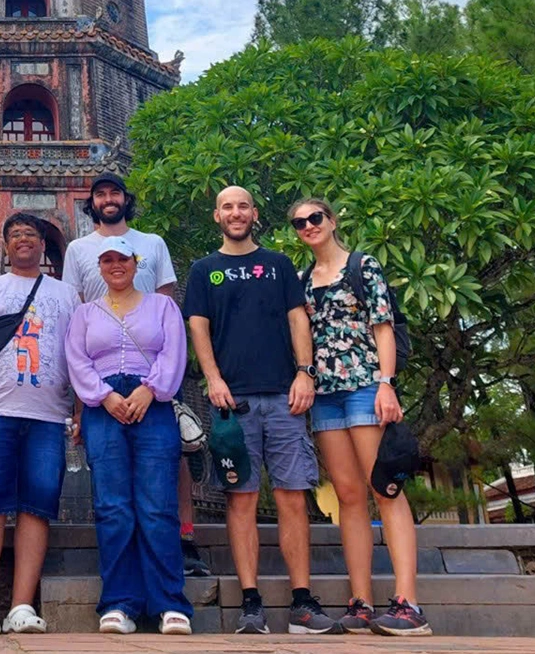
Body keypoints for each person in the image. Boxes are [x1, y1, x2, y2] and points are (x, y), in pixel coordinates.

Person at [184, 186, 338, 635]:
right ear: (217, 215)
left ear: (254, 213)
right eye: (227, 206)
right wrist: (213, 378)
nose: (236, 213)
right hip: (234, 403)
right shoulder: (204, 270)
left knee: (293, 496)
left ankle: (302, 601)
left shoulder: (278, 265)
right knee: (241, 498)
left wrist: (305, 372)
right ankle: (250, 602)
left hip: (284, 396)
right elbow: (199, 327)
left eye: (243, 206)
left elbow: (297, 318)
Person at [290, 197, 432, 637]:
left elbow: (383, 326)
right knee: (349, 495)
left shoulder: (362, 265)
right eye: (299, 222)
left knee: (383, 487)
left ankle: (408, 603)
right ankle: (361, 600)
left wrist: (386, 382)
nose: (309, 226)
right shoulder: (302, 280)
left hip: (365, 386)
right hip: (327, 394)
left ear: (332, 221)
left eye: (315, 218)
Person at [62, 172, 210, 578]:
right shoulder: (77, 250)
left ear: (126, 199)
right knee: (111, 489)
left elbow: (169, 313)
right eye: (100, 194)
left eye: (114, 193)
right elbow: (76, 325)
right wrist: (84, 404)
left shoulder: (152, 244)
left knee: (167, 462)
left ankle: (183, 537)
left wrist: (160, 385)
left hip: (153, 373)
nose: (108, 200)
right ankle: (121, 584)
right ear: (90, 203)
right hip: (100, 376)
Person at [0, 213, 81, 635]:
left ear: (45, 245)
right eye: (15, 235)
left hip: (47, 416)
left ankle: (22, 606)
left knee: (37, 507)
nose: (24, 240)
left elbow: (78, 352)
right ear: (4, 245)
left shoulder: (67, 295)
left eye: (31, 234)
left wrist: (79, 408)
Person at [65, 236, 195, 636]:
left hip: (151, 404)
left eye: (123, 259)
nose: (116, 266)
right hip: (104, 409)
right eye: (108, 260)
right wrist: (103, 398)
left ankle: (169, 603)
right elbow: (76, 358)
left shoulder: (163, 306)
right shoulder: (85, 313)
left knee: (157, 505)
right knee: (112, 506)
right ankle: (120, 602)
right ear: (99, 268)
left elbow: (174, 353)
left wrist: (149, 389)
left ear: (136, 264)